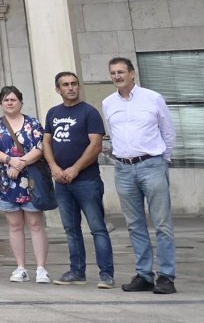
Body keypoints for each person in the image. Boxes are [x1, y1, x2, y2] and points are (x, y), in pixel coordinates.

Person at [102, 56, 177, 294]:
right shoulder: (108, 103)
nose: (117, 76)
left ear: (132, 73)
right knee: (134, 225)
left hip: (151, 164)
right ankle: (144, 274)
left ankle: (166, 276)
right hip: (123, 168)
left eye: (121, 72)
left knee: (162, 223)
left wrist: (162, 161)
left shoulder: (152, 98)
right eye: (113, 72)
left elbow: (168, 132)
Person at [44, 71, 114, 289]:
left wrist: (75, 168)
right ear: (58, 89)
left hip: (87, 181)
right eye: (65, 85)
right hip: (62, 183)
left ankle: (106, 274)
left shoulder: (89, 112)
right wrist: (54, 167)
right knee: (71, 229)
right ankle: (77, 271)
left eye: (74, 84)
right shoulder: (52, 113)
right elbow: (46, 142)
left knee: (97, 228)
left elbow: (95, 145)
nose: (71, 87)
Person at [0, 85, 49, 283]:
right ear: (1, 103)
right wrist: (9, 160)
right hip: (6, 182)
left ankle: (41, 268)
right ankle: (21, 266)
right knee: (14, 225)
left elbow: (40, 148)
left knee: (36, 224)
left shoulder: (33, 123)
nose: (10, 103)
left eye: (13, 99)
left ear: (21, 101)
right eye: (6, 100)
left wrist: (20, 163)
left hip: (30, 181)